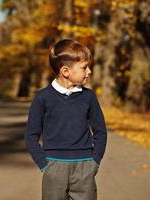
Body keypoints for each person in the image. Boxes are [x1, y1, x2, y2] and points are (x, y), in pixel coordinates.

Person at [24, 39, 107, 200]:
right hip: (54, 168)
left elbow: (100, 132)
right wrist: (44, 165)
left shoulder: (89, 97)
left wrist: (94, 162)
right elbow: (31, 136)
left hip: (85, 167)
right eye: (84, 67)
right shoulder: (43, 98)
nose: (89, 71)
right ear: (65, 71)